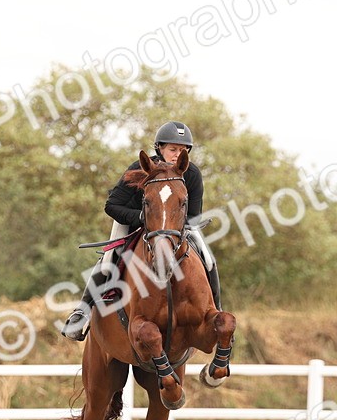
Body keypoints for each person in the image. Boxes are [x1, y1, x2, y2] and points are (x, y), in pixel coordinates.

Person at [60, 120, 222, 340]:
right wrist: (142, 218)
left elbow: (193, 215)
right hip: (133, 219)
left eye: (182, 150)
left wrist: (167, 226)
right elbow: (112, 205)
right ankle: (82, 312)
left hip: (173, 227)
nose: (177, 155)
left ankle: (216, 312)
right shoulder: (139, 168)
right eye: (173, 149)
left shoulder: (191, 173)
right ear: (160, 149)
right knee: (109, 259)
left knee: (208, 258)